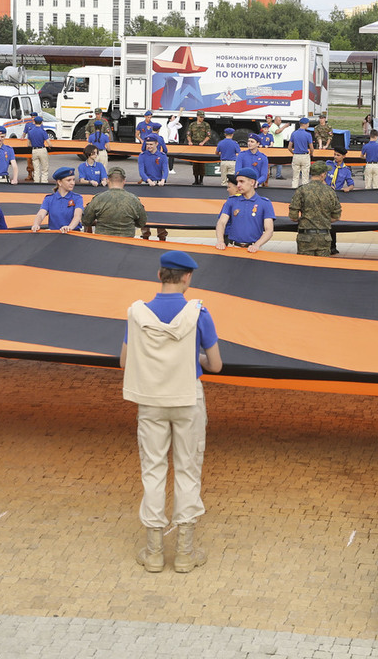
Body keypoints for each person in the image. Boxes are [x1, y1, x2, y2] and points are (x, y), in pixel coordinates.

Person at [121, 250, 222, 574]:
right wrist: (198, 361)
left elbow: (125, 362)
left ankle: (153, 552)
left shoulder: (137, 313)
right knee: (188, 470)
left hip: (150, 400)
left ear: (160, 274)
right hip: (186, 398)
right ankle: (184, 552)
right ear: (187, 277)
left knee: (153, 471)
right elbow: (216, 364)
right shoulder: (198, 313)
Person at [288, 161, 342, 256]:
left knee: (305, 268)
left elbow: (293, 216)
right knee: (321, 269)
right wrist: (323, 220)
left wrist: (304, 220)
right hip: (324, 237)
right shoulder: (330, 192)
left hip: (305, 237)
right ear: (323, 174)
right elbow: (336, 216)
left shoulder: (302, 190)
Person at [214, 168, 274, 252]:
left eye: (242, 181)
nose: (238, 185)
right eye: (237, 181)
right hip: (233, 247)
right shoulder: (232, 201)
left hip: (254, 249)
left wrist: (257, 245)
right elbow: (221, 223)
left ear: (252, 182)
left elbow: (269, 230)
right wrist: (220, 241)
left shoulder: (265, 203)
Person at [81, 167, 147, 237]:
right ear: (124, 181)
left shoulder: (98, 199)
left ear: (108, 180)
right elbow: (142, 223)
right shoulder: (134, 200)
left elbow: (86, 220)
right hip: (126, 242)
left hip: (103, 241)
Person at [30, 167, 83, 233]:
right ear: (59, 182)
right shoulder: (49, 199)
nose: (73, 183)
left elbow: (77, 216)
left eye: (73, 180)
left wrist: (69, 227)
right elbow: (40, 214)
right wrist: (36, 224)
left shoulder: (77, 198)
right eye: (69, 180)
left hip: (73, 234)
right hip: (55, 236)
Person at [185, 112, 211, 186]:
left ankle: (201, 180)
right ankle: (196, 180)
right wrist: (189, 141)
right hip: (194, 145)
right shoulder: (192, 125)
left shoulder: (206, 125)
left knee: (202, 163)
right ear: (197, 116)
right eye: (200, 117)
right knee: (195, 163)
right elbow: (189, 134)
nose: (202, 119)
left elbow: (208, 136)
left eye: (203, 117)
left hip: (203, 146)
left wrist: (203, 142)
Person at [24, 115, 51, 184]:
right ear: (41, 122)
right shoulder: (43, 131)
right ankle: (44, 181)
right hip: (42, 149)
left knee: (36, 168)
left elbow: (28, 144)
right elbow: (48, 142)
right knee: (44, 168)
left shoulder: (30, 132)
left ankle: (36, 182)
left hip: (34, 150)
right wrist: (51, 146)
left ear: (34, 122)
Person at [288, 117, 314, 188]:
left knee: (295, 177)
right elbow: (311, 148)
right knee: (305, 177)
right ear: (305, 124)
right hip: (305, 156)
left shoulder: (294, 133)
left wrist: (293, 153)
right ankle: (305, 193)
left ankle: (293, 190)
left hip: (296, 155)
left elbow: (289, 147)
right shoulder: (308, 135)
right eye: (308, 124)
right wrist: (311, 154)